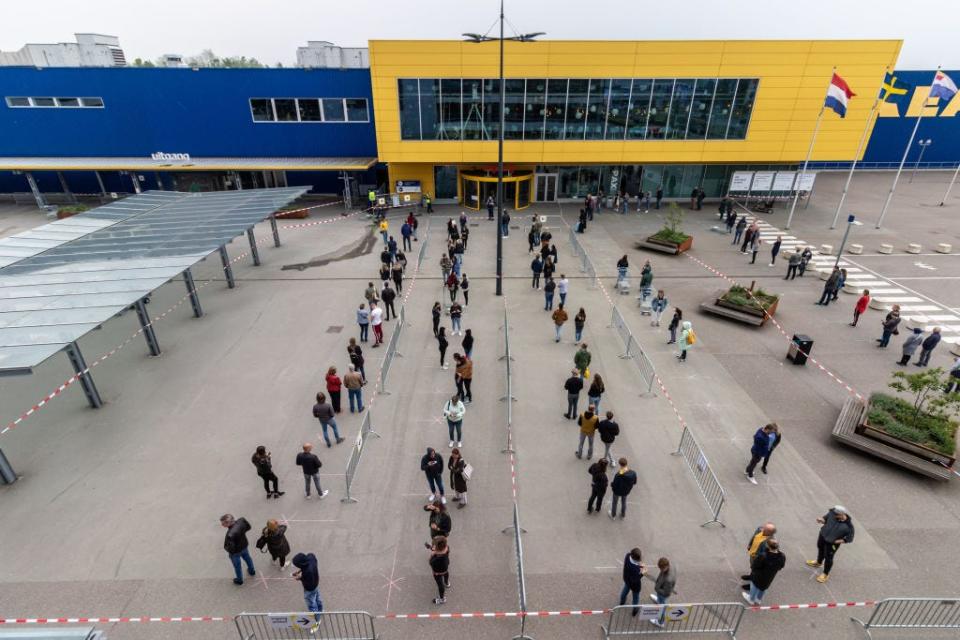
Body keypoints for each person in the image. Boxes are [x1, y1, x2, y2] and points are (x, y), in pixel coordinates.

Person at [806, 506, 855, 583]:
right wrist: (821, 520)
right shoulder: (832, 513)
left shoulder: (849, 526)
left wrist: (837, 541)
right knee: (820, 548)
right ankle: (818, 562)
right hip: (822, 535)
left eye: (836, 514)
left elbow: (849, 538)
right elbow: (825, 519)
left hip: (832, 543)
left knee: (828, 557)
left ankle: (825, 574)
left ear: (842, 514)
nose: (834, 515)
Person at [744, 539, 785, 605]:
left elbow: (755, 565)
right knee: (763, 588)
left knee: (755, 586)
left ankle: (751, 599)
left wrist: (753, 570)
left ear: (768, 546)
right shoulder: (782, 556)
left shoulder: (763, 556)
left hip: (759, 576)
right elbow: (781, 566)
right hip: (770, 577)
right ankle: (758, 599)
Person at [220, 514, 255, 585]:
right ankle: (252, 571)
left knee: (237, 566)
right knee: (248, 558)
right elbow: (248, 527)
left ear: (228, 523)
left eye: (223, 523)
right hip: (244, 546)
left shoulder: (230, 534)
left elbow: (230, 547)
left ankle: (239, 580)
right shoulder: (241, 521)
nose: (222, 525)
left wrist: (231, 553)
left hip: (235, 552)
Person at [619, 548, 648, 614]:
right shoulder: (635, 569)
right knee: (636, 597)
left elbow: (634, 564)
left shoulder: (627, 556)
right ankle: (635, 609)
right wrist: (643, 573)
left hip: (627, 579)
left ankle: (622, 601)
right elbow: (636, 578)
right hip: (635, 585)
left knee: (625, 590)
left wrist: (639, 565)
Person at [428, 535, 450, 605]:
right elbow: (441, 550)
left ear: (436, 548)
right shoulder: (447, 549)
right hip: (445, 568)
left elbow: (430, 563)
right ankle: (447, 583)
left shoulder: (435, 559)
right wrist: (433, 549)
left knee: (440, 585)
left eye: (434, 546)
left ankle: (442, 599)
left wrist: (432, 554)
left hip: (437, 573)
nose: (433, 547)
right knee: (446, 574)